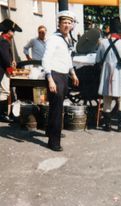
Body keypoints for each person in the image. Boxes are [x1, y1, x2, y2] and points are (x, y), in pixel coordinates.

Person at [42, 10, 79, 151]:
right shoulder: (53, 39)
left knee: (56, 107)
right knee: (57, 109)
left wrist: (73, 73)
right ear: (59, 24)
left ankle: (50, 132)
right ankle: (54, 142)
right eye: (64, 22)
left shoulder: (66, 39)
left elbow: (67, 59)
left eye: (69, 23)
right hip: (55, 75)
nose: (67, 25)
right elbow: (46, 59)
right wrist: (50, 78)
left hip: (64, 76)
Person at [96, 17, 121, 132]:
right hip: (120, 74)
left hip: (107, 74)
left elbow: (98, 59)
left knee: (107, 99)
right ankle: (120, 125)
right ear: (119, 32)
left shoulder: (103, 43)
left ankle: (107, 125)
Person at [0, 18, 22, 122]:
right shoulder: (4, 41)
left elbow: (6, 56)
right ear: (9, 31)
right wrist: (10, 69)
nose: (14, 33)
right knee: (4, 91)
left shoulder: (4, 40)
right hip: (3, 70)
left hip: (3, 69)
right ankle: (3, 115)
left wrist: (12, 60)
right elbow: (4, 58)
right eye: (13, 31)